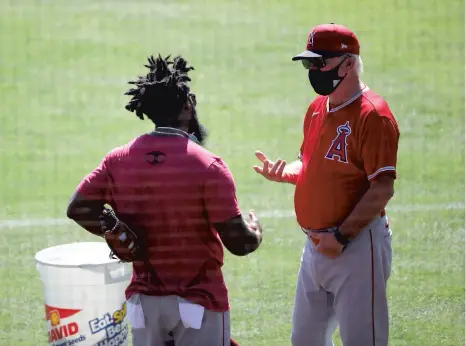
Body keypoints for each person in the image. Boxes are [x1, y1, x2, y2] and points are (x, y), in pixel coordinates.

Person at [66, 54, 261, 346]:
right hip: (199, 303)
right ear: (188, 105)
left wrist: (112, 227)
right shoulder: (208, 165)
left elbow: (78, 208)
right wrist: (255, 232)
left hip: (145, 306)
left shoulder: (118, 160)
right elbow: (238, 243)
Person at [253, 23, 400, 346]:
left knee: (363, 340)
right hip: (315, 247)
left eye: (319, 62)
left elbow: (382, 188)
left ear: (348, 63)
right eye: (309, 63)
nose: (313, 70)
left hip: (356, 246)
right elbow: (308, 163)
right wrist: (285, 172)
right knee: (305, 339)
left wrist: (341, 236)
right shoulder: (318, 108)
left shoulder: (373, 116)